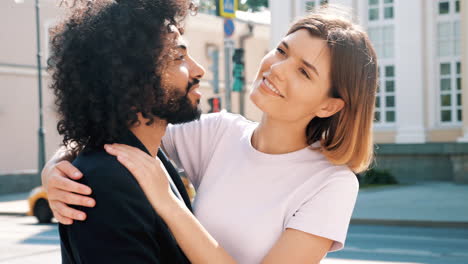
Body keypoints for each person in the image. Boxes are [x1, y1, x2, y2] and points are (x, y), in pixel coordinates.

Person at [43, 6, 378, 264]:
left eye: (304, 71)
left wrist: (170, 206)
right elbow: (125, 124)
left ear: (330, 106)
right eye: (281, 51)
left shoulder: (331, 183)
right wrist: (60, 165)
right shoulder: (218, 133)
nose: (276, 69)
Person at [45, 0, 205, 262]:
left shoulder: (151, 159)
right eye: (179, 57)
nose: (199, 70)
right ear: (133, 77)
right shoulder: (102, 184)